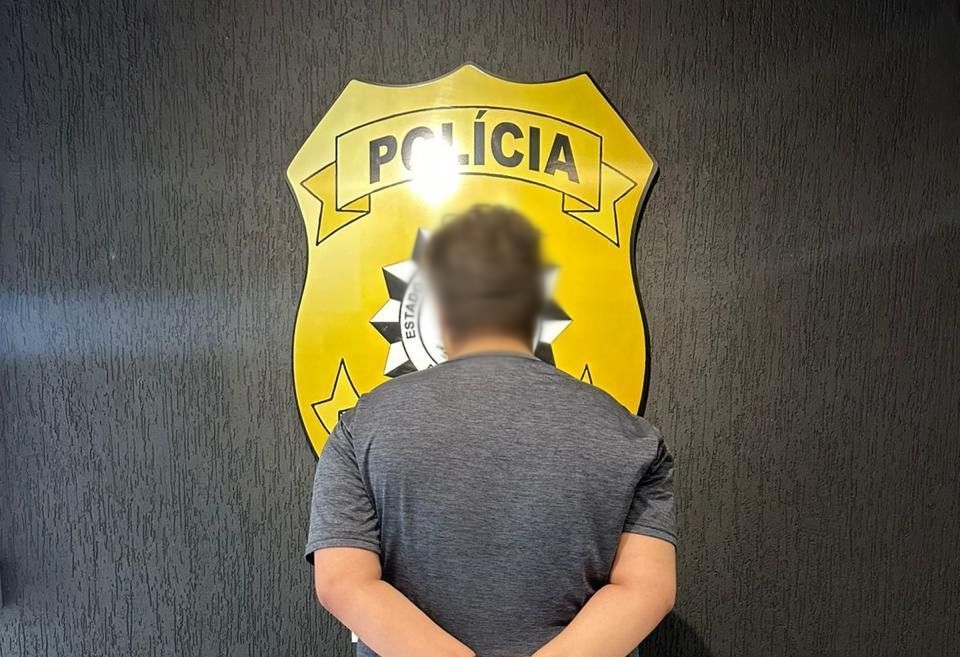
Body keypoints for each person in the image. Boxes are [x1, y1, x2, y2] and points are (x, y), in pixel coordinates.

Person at [304, 205, 676, 657]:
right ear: (536, 306)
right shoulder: (633, 438)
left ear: (441, 309)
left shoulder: (359, 428)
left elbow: (343, 581)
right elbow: (645, 589)